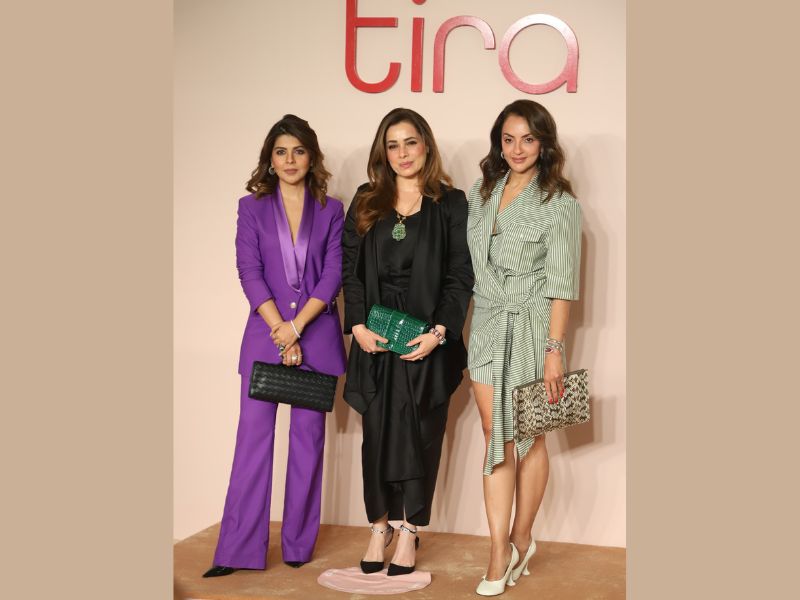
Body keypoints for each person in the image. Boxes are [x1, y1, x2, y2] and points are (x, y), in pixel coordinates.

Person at [203, 114, 346, 577]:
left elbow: (333, 273)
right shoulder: (251, 208)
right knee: (252, 445)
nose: (289, 160)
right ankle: (237, 550)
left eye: (298, 151)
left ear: (312, 157)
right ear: (269, 159)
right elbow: (249, 270)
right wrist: (279, 328)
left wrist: (297, 327)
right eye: (281, 151)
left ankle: (297, 545)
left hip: (315, 337)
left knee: (307, 445)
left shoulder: (332, 209)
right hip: (266, 337)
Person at [341, 107, 474, 576]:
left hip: (426, 340)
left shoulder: (451, 203)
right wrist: (357, 326)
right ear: (383, 152)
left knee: (422, 434)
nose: (402, 153)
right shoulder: (366, 199)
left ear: (426, 145)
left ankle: (410, 529)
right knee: (376, 437)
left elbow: (460, 274)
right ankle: (379, 527)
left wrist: (439, 333)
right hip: (376, 338)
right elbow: (350, 271)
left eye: (410, 142)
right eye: (392, 145)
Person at [466, 100, 582, 596]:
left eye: (528, 139)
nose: (517, 149)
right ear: (499, 143)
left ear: (543, 144)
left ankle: (517, 540)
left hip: (534, 326)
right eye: (509, 139)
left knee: (529, 435)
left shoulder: (560, 203)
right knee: (495, 433)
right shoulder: (481, 193)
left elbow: (562, 284)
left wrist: (555, 350)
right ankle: (498, 546)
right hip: (487, 322)